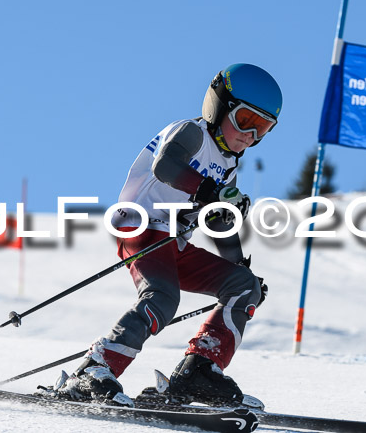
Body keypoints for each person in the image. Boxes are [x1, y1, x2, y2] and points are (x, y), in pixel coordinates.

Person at [56, 63, 283, 407]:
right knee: (163, 297)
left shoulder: (230, 167)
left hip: (173, 241)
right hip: (140, 226)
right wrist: (211, 192)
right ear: (219, 105)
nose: (250, 136)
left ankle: (198, 371)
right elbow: (166, 167)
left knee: (243, 287)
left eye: (262, 129)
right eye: (245, 121)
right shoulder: (193, 133)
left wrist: (239, 267)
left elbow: (218, 222)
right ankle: (93, 370)